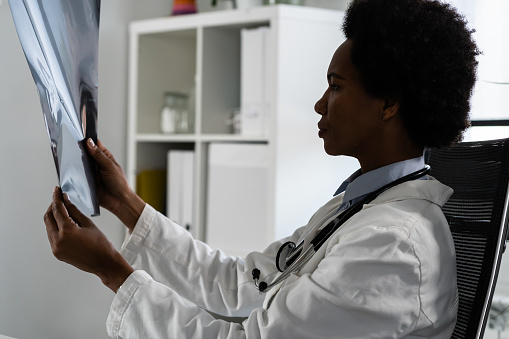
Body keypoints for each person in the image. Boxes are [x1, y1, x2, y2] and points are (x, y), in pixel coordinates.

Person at [43, 0, 480, 337]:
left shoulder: (392, 248)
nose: (320, 104)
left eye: (336, 86)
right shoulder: (357, 210)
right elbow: (243, 284)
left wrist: (112, 271)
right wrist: (125, 203)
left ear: (389, 103)